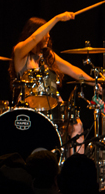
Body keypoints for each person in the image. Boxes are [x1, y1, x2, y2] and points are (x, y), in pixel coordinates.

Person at [11, 13, 95, 153]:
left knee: (77, 126)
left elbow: (74, 71)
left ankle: (74, 166)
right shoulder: (20, 51)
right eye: (45, 33)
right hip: (28, 106)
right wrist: (56, 19)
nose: (48, 37)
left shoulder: (47, 55)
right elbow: (33, 38)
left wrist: (96, 83)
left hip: (52, 106)